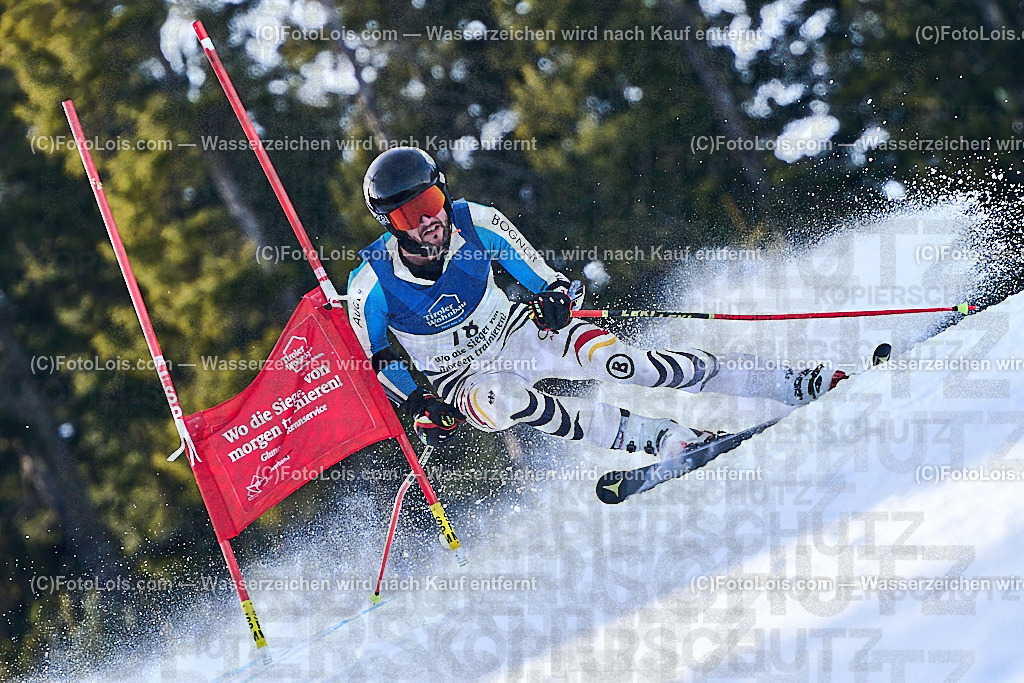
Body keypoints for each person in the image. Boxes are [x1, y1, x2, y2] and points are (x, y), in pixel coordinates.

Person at [347, 148, 846, 457]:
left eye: (430, 204)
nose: (425, 223)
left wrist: (557, 301)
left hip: (516, 333)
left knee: (625, 364)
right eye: (406, 216)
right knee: (505, 401)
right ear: (388, 224)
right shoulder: (371, 282)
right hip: (462, 377)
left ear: (444, 194)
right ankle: (661, 439)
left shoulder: (477, 221)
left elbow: (550, 281)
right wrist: (418, 402)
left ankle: (788, 381)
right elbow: (378, 361)